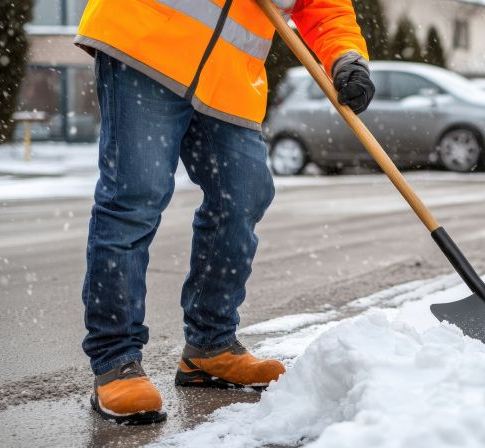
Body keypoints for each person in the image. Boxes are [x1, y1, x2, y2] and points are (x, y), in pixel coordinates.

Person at [74, 0, 374, 424]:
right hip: (146, 42)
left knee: (244, 194)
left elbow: (324, 7)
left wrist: (345, 56)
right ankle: (115, 361)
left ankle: (210, 348)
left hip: (229, 75)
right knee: (134, 199)